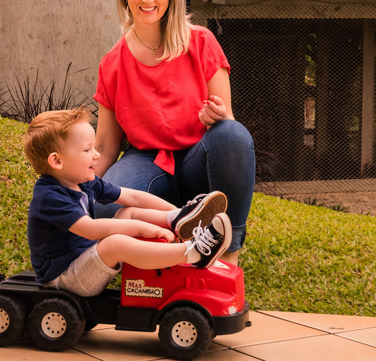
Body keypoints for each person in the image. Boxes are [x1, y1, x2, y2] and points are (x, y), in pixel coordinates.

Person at [92, 0, 255, 266]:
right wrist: (73, 188)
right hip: (148, 161)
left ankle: (227, 255)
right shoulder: (112, 64)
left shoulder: (202, 41)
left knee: (233, 135)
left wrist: (217, 118)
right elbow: (106, 147)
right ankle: (177, 235)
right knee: (105, 207)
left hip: (198, 156)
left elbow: (228, 124)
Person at [25, 108, 232, 297]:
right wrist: (143, 229)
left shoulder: (83, 182)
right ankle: (193, 253)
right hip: (66, 278)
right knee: (115, 243)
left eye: (95, 148)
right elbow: (92, 229)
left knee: (129, 211)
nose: (96, 155)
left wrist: (176, 211)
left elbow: (132, 197)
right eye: (87, 150)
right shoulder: (50, 197)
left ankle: (178, 219)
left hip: (84, 260)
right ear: (57, 161)